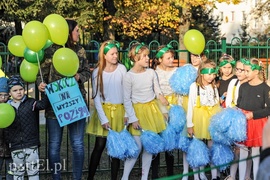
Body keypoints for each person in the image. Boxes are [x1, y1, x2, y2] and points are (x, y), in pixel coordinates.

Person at [36, 19, 91, 180]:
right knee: (54, 145)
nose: (79, 33)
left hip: (75, 103)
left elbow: (87, 72)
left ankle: (77, 178)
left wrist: (79, 76)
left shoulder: (80, 50)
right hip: (54, 104)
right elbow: (41, 75)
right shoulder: (49, 51)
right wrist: (40, 84)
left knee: (78, 144)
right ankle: (56, 177)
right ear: (68, 32)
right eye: (77, 30)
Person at [121, 43, 167, 180]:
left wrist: (162, 103)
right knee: (137, 148)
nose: (148, 58)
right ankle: (124, 177)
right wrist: (132, 118)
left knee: (149, 148)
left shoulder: (151, 72)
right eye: (144, 56)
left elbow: (157, 90)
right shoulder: (129, 76)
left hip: (152, 111)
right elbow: (127, 100)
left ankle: (144, 177)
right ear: (136, 58)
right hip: (138, 113)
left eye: (147, 55)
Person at [86, 40, 127, 180]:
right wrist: (103, 119)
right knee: (100, 145)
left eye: (116, 53)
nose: (116, 56)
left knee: (116, 149)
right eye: (112, 53)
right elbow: (96, 97)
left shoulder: (122, 69)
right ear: (104, 55)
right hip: (104, 112)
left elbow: (127, 93)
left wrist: (127, 113)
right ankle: (90, 177)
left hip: (119, 111)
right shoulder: (97, 72)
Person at [4, 75, 49, 179]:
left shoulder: (31, 103)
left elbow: (42, 105)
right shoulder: (6, 108)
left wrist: (43, 92)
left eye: (21, 89)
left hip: (31, 145)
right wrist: (9, 142)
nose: (19, 92)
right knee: (18, 173)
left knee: (33, 172)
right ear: (10, 93)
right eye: (15, 90)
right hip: (15, 146)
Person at [186, 59, 221, 180]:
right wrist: (190, 124)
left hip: (211, 120)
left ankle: (214, 176)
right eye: (209, 74)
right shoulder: (194, 87)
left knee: (213, 148)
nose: (212, 77)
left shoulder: (214, 87)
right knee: (198, 150)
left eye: (213, 74)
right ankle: (197, 176)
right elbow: (190, 106)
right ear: (202, 73)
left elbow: (216, 104)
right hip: (199, 120)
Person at [236, 58, 270, 180]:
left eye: (247, 71)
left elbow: (269, 109)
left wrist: (253, 115)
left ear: (256, 72)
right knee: (243, 155)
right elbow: (238, 104)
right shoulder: (243, 86)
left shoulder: (265, 89)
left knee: (255, 155)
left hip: (257, 123)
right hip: (243, 124)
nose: (245, 73)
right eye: (244, 71)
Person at [150, 44, 177, 179]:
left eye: (172, 57)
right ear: (160, 59)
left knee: (169, 140)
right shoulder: (154, 72)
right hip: (158, 106)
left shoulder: (176, 71)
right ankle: (155, 174)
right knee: (157, 139)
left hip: (172, 105)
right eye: (168, 58)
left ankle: (170, 173)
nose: (172, 60)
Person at [224, 59, 251, 180]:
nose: (239, 72)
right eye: (237, 70)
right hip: (235, 120)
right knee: (236, 151)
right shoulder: (233, 82)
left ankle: (246, 176)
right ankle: (232, 175)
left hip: (248, 120)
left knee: (247, 151)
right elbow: (229, 102)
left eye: (242, 70)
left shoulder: (251, 84)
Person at [0, 77, 13, 180]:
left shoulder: (12, 107)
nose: (3, 98)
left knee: (11, 171)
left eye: (5, 95)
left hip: (11, 146)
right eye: (0, 95)